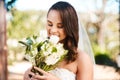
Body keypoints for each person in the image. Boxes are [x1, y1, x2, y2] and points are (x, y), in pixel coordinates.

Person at [23, 1, 94, 80]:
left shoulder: (82, 58)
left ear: (69, 27)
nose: (53, 30)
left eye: (60, 26)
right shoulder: (41, 51)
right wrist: (27, 76)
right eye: (50, 24)